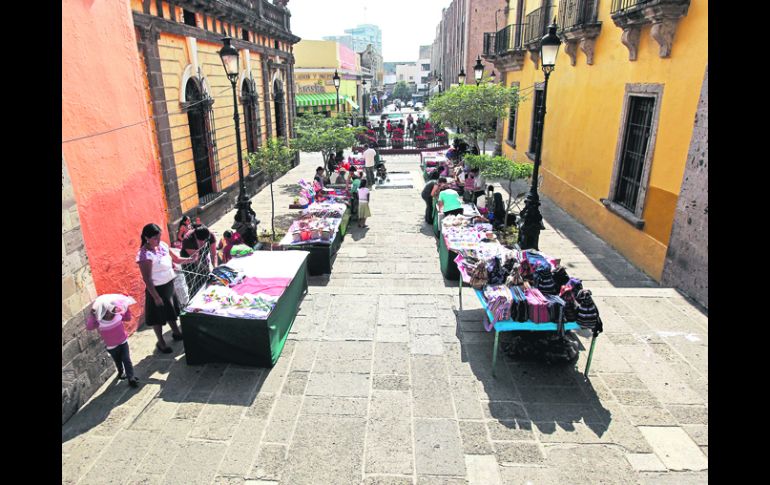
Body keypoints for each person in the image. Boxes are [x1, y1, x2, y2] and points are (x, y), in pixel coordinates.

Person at [137, 223, 198, 353]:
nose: (158, 241)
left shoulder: (163, 245)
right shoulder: (144, 255)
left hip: (168, 285)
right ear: (147, 238)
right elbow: (147, 279)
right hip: (157, 290)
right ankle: (161, 342)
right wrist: (156, 297)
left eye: (159, 237)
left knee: (171, 311)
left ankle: (176, 332)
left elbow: (176, 259)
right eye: (155, 238)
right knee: (157, 318)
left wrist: (190, 259)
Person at [86, 293, 139, 387]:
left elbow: (127, 318)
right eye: (104, 312)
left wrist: (126, 308)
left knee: (126, 359)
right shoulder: (100, 322)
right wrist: (92, 315)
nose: (107, 313)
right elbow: (89, 327)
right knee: (118, 361)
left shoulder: (118, 316)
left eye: (109, 311)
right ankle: (120, 372)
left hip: (123, 342)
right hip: (112, 347)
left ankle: (131, 378)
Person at [180, 225, 218, 299]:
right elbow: (196, 260)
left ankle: (207, 298)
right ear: (195, 235)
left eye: (205, 240)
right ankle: (193, 301)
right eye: (201, 241)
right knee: (193, 285)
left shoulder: (211, 236)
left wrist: (215, 268)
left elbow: (214, 254)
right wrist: (208, 270)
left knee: (207, 280)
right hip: (189, 261)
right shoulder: (187, 239)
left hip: (202, 258)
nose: (203, 243)